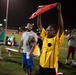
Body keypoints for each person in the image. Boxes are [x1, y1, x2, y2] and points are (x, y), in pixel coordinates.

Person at [37, 2, 64, 75]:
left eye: (51, 30)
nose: (48, 31)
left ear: (55, 32)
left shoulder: (57, 39)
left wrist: (59, 11)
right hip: (41, 65)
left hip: (51, 68)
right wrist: (39, 12)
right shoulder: (45, 36)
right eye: (48, 29)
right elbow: (39, 26)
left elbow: (61, 27)